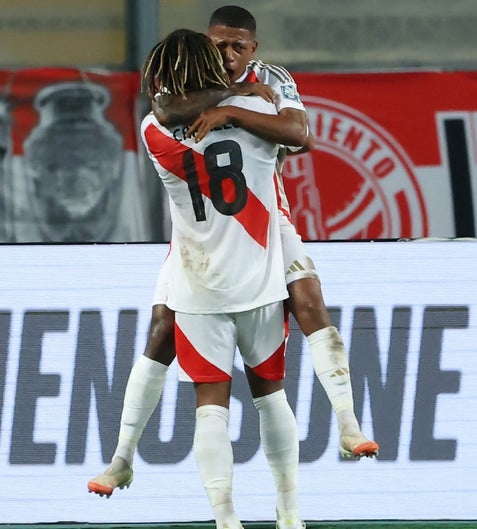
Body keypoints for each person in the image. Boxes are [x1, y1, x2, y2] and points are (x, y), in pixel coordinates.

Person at [88, 4, 377, 500]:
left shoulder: (273, 79)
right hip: (199, 235)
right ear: (206, 42)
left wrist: (231, 110)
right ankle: (122, 458)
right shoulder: (189, 77)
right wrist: (230, 97)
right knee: (161, 330)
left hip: (266, 217)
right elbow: (164, 110)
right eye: (219, 44)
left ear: (253, 48)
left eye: (237, 47)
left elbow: (300, 136)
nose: (227, 54)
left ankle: (349, 425)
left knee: (308, 300)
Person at [139, 28, 303, 529]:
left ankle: (225, 519)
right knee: (271, 397)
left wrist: (221, 99)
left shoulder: (155, 129)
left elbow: (166, 107)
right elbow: (298, 136)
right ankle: (290, 513)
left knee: (210, 407)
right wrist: (239, 97)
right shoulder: (256, 112)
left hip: (200, 285)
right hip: (258, 278)